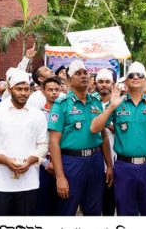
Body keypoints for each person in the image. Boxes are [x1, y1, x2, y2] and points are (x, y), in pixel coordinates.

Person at [90, 62, 146, 216]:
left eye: (140, 75)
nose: (135, 77)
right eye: (131, 75)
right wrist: (111, 107)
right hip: (124, 167)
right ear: (126, 80)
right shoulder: (117, 103)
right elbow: (94, 128)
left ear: (145, 80)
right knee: (125, 212)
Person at [0, 69, 48, 216]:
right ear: (10, 89)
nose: (23, 93)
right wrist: (6, 161)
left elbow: (43, 145)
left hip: (29, 181)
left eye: (26, 89)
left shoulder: (37, 115)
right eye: (19, 89)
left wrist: (30, 161)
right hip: (1, 182)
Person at [48, 60, 113, 216]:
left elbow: (103, 136)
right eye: (78, 73)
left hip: (95, 161)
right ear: (69, 80)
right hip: (72, 163)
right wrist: (60, 177)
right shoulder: (61, 104)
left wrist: (109, 165)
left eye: (85, 73)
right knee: (67, 209)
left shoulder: (96, 103)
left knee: (94, 210)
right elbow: (54, 143)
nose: (83, 76)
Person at [36, 76, 62, 216]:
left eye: (56, 89)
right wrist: (46, 163)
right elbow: (34, 142)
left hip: (63, 163)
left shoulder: (65, 111)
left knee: (62, 205)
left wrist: (57, 161)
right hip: (44, 166)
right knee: (43, 206)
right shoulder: (38, 114)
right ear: (43, 91)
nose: (54, 93)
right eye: (50, 90)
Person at [93, 68, 116, 216]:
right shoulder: (90, 101)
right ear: (95, 84)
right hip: (93, 158)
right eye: (100, 82)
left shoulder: (119, 102)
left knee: (110, 200)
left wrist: (103, 122)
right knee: (94, 201)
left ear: (112, 84)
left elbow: (121, 129)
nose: (104, 85)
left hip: (114, 156)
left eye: (107, 81)